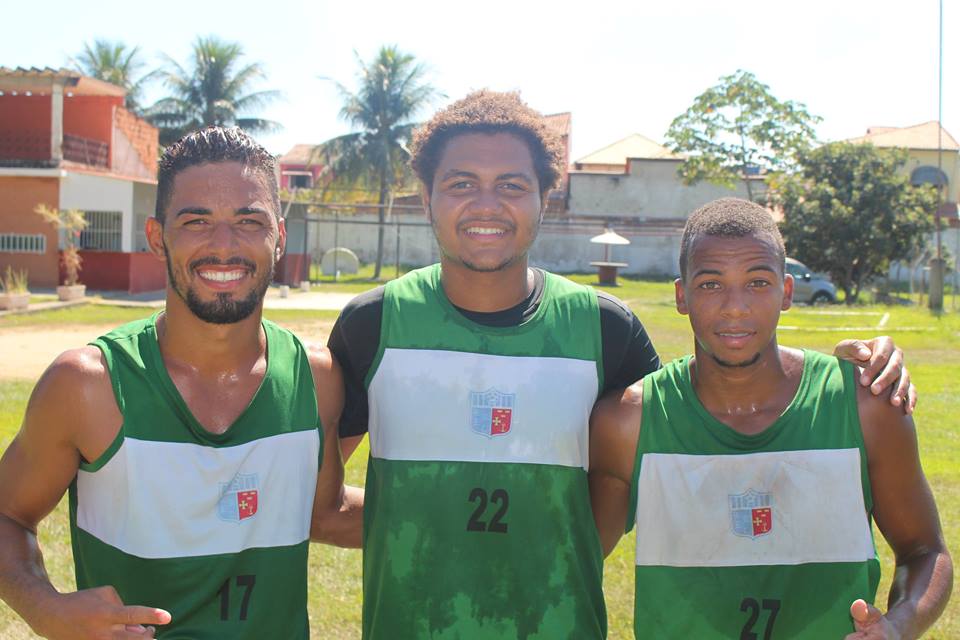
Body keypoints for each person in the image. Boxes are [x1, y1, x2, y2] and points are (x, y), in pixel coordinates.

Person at [328, 91, 914, 638]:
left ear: (544, 197)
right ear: (426, 195)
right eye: (461, 183)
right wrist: (425, 524)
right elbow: (314, 505)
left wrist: (842, 374)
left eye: (511, 184)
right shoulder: (372, 324)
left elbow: (700, 434)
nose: (488, 204)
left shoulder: (607, 330)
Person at [0, 126, 360, 640]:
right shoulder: (88, 385)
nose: (223, 245)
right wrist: (46, 609)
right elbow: (7, 515)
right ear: (156, 236)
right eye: (196, 221)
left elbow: (326, 513)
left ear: (278, 236)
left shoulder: (316, 377)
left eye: (248, 220)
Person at [589, 198, 951, 639]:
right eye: (710, 284)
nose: (735, 306)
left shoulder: (865, 406)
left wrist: (898, 625)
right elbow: (574, 558)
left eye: (757, 282)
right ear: (681, 296)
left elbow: (924, 550)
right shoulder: (629, 421)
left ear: (787, 292)